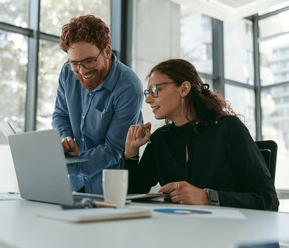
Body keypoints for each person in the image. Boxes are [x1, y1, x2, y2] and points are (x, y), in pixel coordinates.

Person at [121, 58, 279, 211]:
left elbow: (268, 199)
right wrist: (131, 153)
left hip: (228, 232)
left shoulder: (228, 128)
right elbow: (132, 195)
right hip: (178, 231)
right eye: (148, 92)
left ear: (184, 88)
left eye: (156, 90)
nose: (148, 99)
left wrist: (208, 197)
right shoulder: (160, 139)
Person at [52, 15, 144, 194]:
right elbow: (61, 115)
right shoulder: (67, 73)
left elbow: (113, 150)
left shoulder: (129, 87)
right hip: (74, 185)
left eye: (89, 61)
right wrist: (65, 138)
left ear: (107, 52)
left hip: (108, 188)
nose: (82, 70)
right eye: (75, 63)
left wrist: (65, 166)